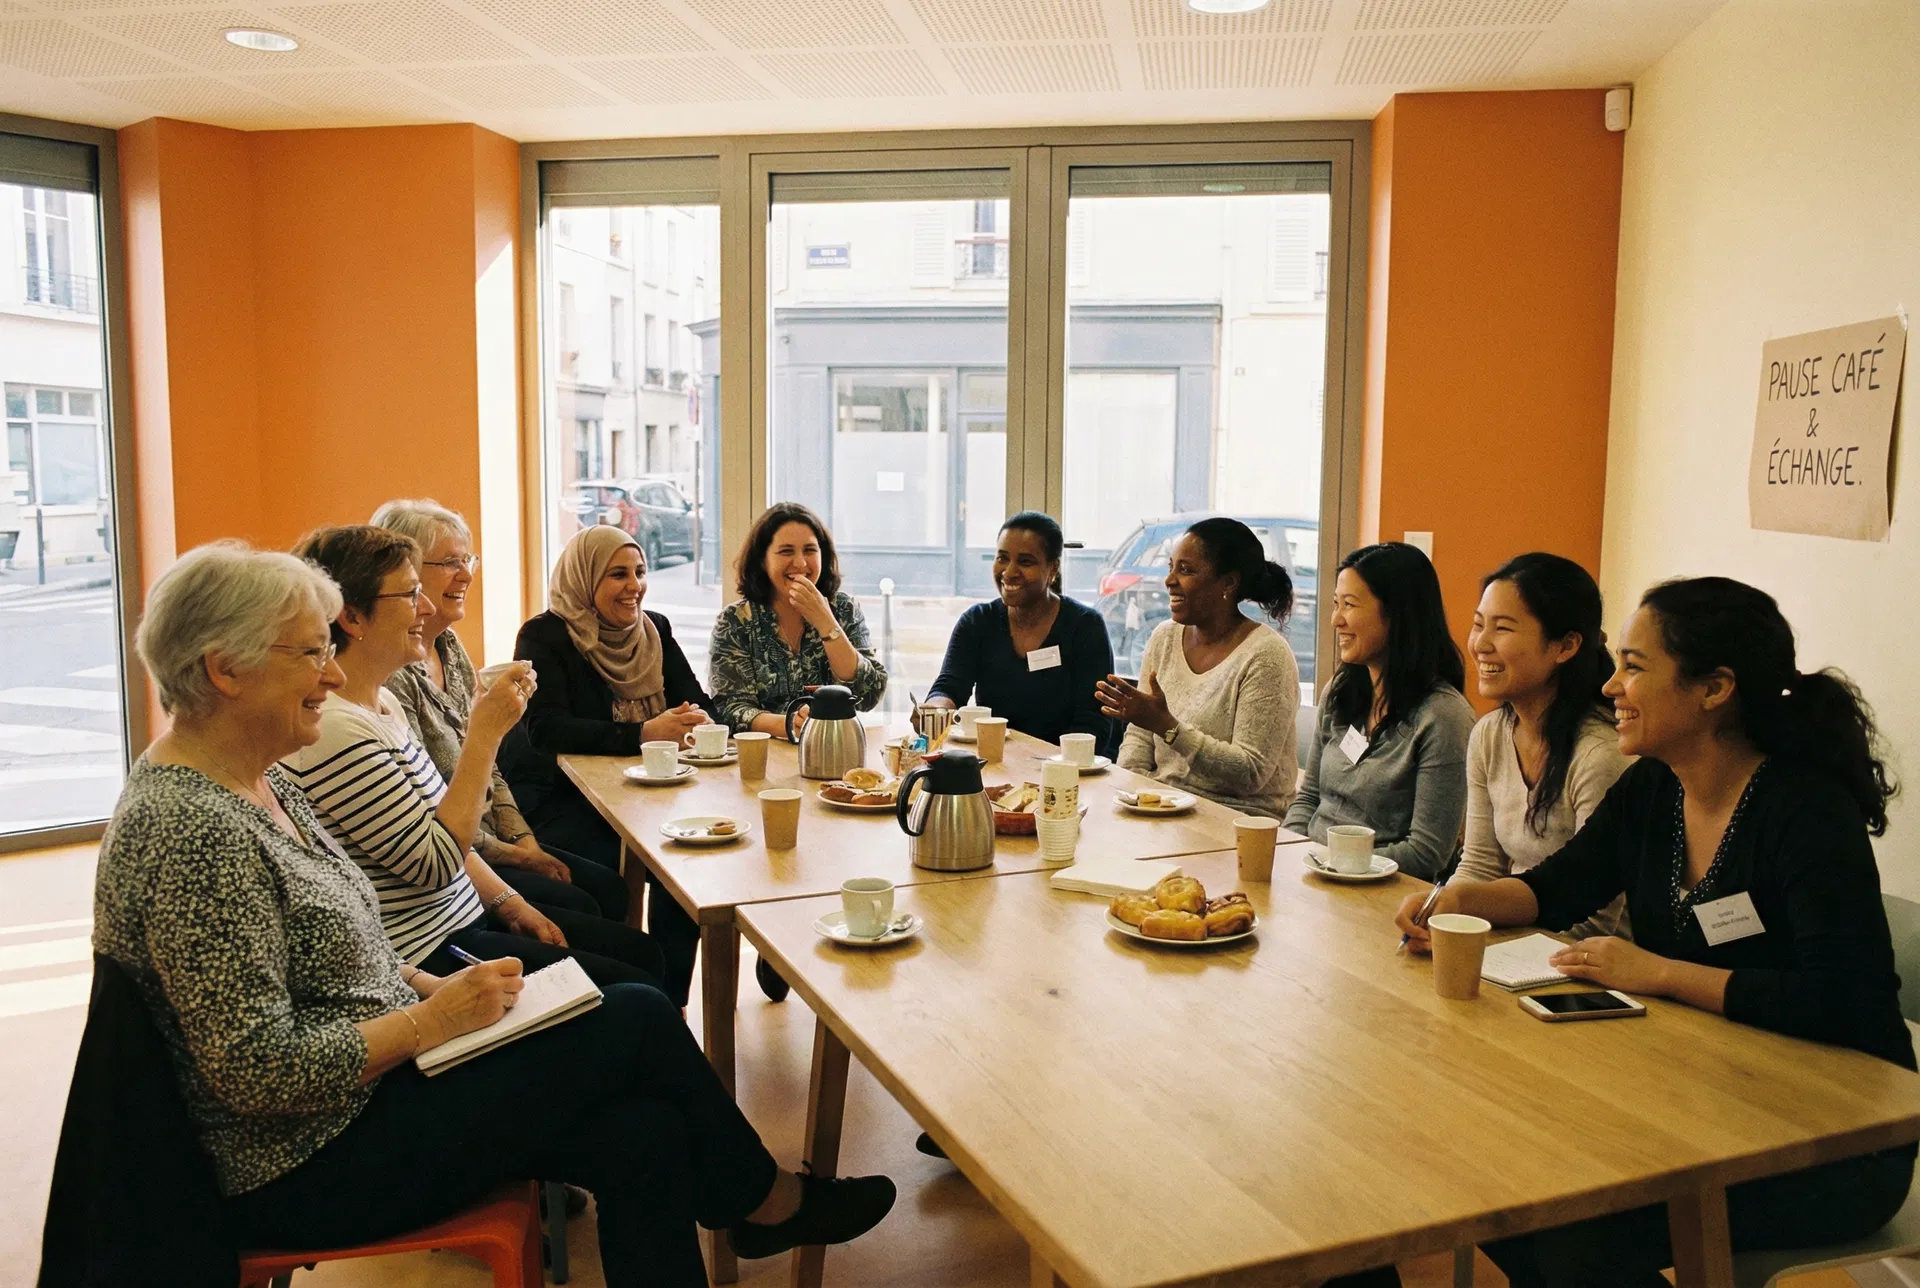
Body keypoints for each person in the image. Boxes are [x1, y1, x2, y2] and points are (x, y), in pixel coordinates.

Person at [93, 541, 896, 1286]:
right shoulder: (190, 833)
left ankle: (756, 1201)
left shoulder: (260, 779)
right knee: (639, 1014)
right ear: (223, 670)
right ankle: (763, 1201)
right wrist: (431, 1021)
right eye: (308, 652)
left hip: (373, 1083)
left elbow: (354, 938)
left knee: (643, 1131)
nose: (331, 675)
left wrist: (443, 991)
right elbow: (258, 1073)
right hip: (308, 1157)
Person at [1395, 576, 1914, 1287]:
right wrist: (1459, 900)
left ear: (1714, 688)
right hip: (1704, 1094)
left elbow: (1842, 1000)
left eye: (1635, 667)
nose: (1611, 687)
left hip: (1834, 1143)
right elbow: (1556, 885)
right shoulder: (1655, 787)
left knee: (1571, 1236)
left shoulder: (1804, 811)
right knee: (1505, 1193)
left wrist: (1660, 972)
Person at [280, 526, 667, 996]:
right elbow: (439, 859)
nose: (425, 607)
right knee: (639, 989)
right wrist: (485, 735)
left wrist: (510, 903)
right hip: (435, 948)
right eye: (410, 593)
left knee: (641, 953)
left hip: (464, 914)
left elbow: (442, 827)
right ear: (354, 618)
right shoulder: (339, 729)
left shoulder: (382, 701)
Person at [371, 498, 630, 924]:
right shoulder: (392, 675)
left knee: (608, 887)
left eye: (468, 559)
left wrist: (524, 839)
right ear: (409, 574)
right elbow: (426, 808)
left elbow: (487, 765)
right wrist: (516, 855)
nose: (468, 575)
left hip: (488, 837)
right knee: (585, 900)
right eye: (451, 562)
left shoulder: (448, 647)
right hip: (457, 856)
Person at [498, 524, 712, 1009]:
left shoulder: (654, 629)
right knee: (605, 879)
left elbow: (695, 701)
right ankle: (620, 995)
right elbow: (547, 729)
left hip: (646, 791)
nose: (634, 585)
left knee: (684, 872)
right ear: (585, 578)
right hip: (555, 793)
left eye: (639, 571)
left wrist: (693, 719)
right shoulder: (545, 635)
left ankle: (668, 1001)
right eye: (617, 574)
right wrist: (643, 733)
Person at [1457, 553, 1632, 938]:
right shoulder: (1489, 735)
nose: (1480, 645)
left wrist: (1492, 948)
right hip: (1512, 937)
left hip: (1582, 962)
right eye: (1478, 624)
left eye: (1502, 629)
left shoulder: (1600, 755)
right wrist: (1445, 921)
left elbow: (1594, 921)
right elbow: (1479, 866)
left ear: (1566, 646)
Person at [1284, 542, 1475, 881]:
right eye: (1335, 604)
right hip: (1311, 874)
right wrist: (1287, 852)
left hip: (1383, 892)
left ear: (1397, 613)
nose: (1335, 619)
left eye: (1350, 605)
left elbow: (1426, 853)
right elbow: (1309, 798)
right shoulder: (1341, 692)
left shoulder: (1443, 716)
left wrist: (1328, 863)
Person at [1097, 517, 1300, 819]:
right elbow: (1140, 738)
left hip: (1236, 820)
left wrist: (1168, 728)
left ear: (1228, 583)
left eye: (1186, 570)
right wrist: (1131, 795)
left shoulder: (1266, 655)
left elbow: (1250, 773)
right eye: (1170, 567)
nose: (1169, 581)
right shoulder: (1164, 637)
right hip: (1161, 808)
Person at [925, 511, 1115, 752]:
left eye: (1025, 562)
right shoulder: (978, 622)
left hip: (1069, 770)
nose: (1009, 571)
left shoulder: (1085, 626)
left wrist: (1046, 766)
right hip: (998, 761)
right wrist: (936, 709)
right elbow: (950, 686)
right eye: (1002, 558)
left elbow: (1093, 724)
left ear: (1053, 568)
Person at [708, 502, 887, 741]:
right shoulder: (735, 621)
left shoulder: (844, 609)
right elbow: (728, 709)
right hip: (763, 757)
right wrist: (789, 723)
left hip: (833, 748)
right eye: (786, 551)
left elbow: (870, 694)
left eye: (810, 550)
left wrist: (826, 624)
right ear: (763, 559)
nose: (801, 563)